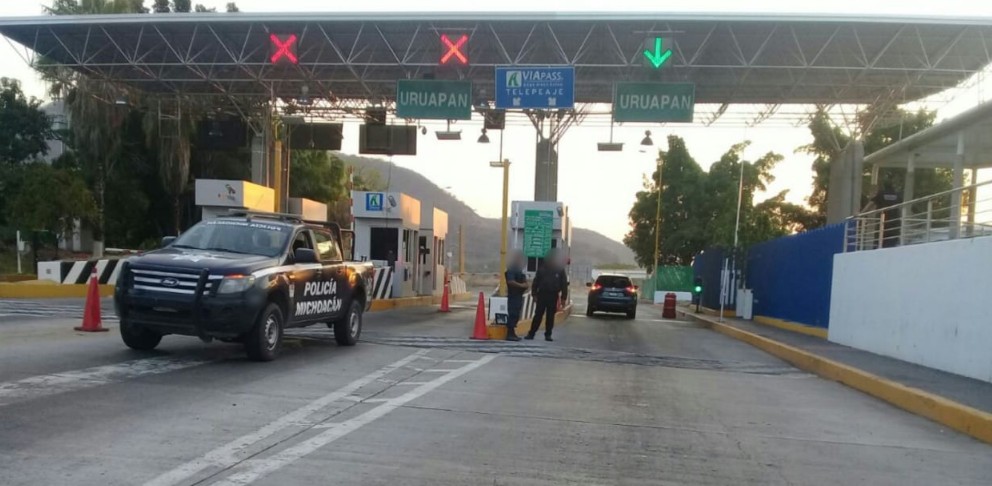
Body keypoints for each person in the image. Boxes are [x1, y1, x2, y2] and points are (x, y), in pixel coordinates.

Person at [526, 249, 568, 342]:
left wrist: (563, 298)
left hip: (553, 295)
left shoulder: (560, 270)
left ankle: (548, 334)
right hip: (542, 295)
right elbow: (535, 283)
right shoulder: (542, 269)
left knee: (550, 316)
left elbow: (564, 284)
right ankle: (531, 333)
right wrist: (534, 294)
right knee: (538, 315)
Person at [504, 251, 529, 341]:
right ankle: (510, 333)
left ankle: (512, 332)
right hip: (513, 295)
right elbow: (510, 281)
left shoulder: (519, 270)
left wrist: (525, 284)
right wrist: (522, 285)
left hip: (518, 295)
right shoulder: (512, 269)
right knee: (513, 313)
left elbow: (525, 281)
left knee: (516, 314)